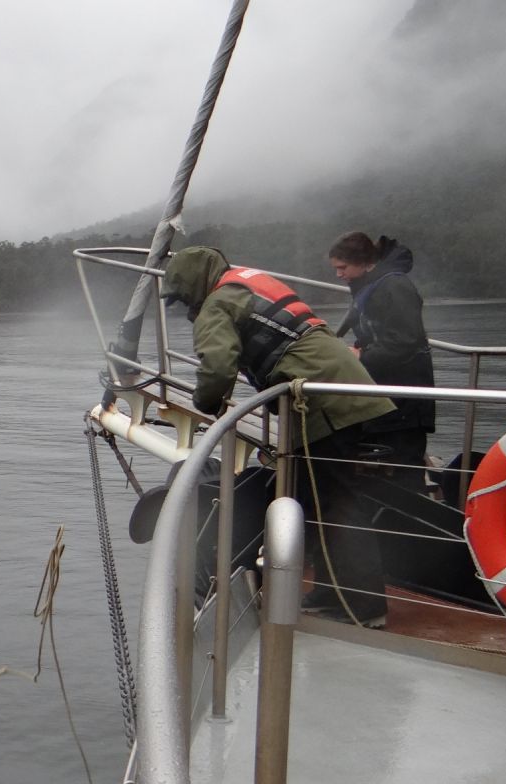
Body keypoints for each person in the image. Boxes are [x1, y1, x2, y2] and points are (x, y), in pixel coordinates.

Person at [162, 245, 397, 627]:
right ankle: (331, 592)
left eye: (180, 297)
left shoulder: (216, 305)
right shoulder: (244, 284)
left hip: (323, 404)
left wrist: (206, 403)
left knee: (334, 507)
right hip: (346, 390)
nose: (181, 305)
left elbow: (217, 369)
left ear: (191, 283)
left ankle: (361, 608)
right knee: (317, 503)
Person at [328, 231, 435, 489]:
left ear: (363, 262)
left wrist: (362, 356)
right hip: (385, 394)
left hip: (406, 397)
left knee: (405, 467)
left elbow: (406, 340)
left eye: (343, 268)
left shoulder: (395, 286)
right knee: (381, 457)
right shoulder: (371, 285)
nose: (338, 275)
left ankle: (411, 518)